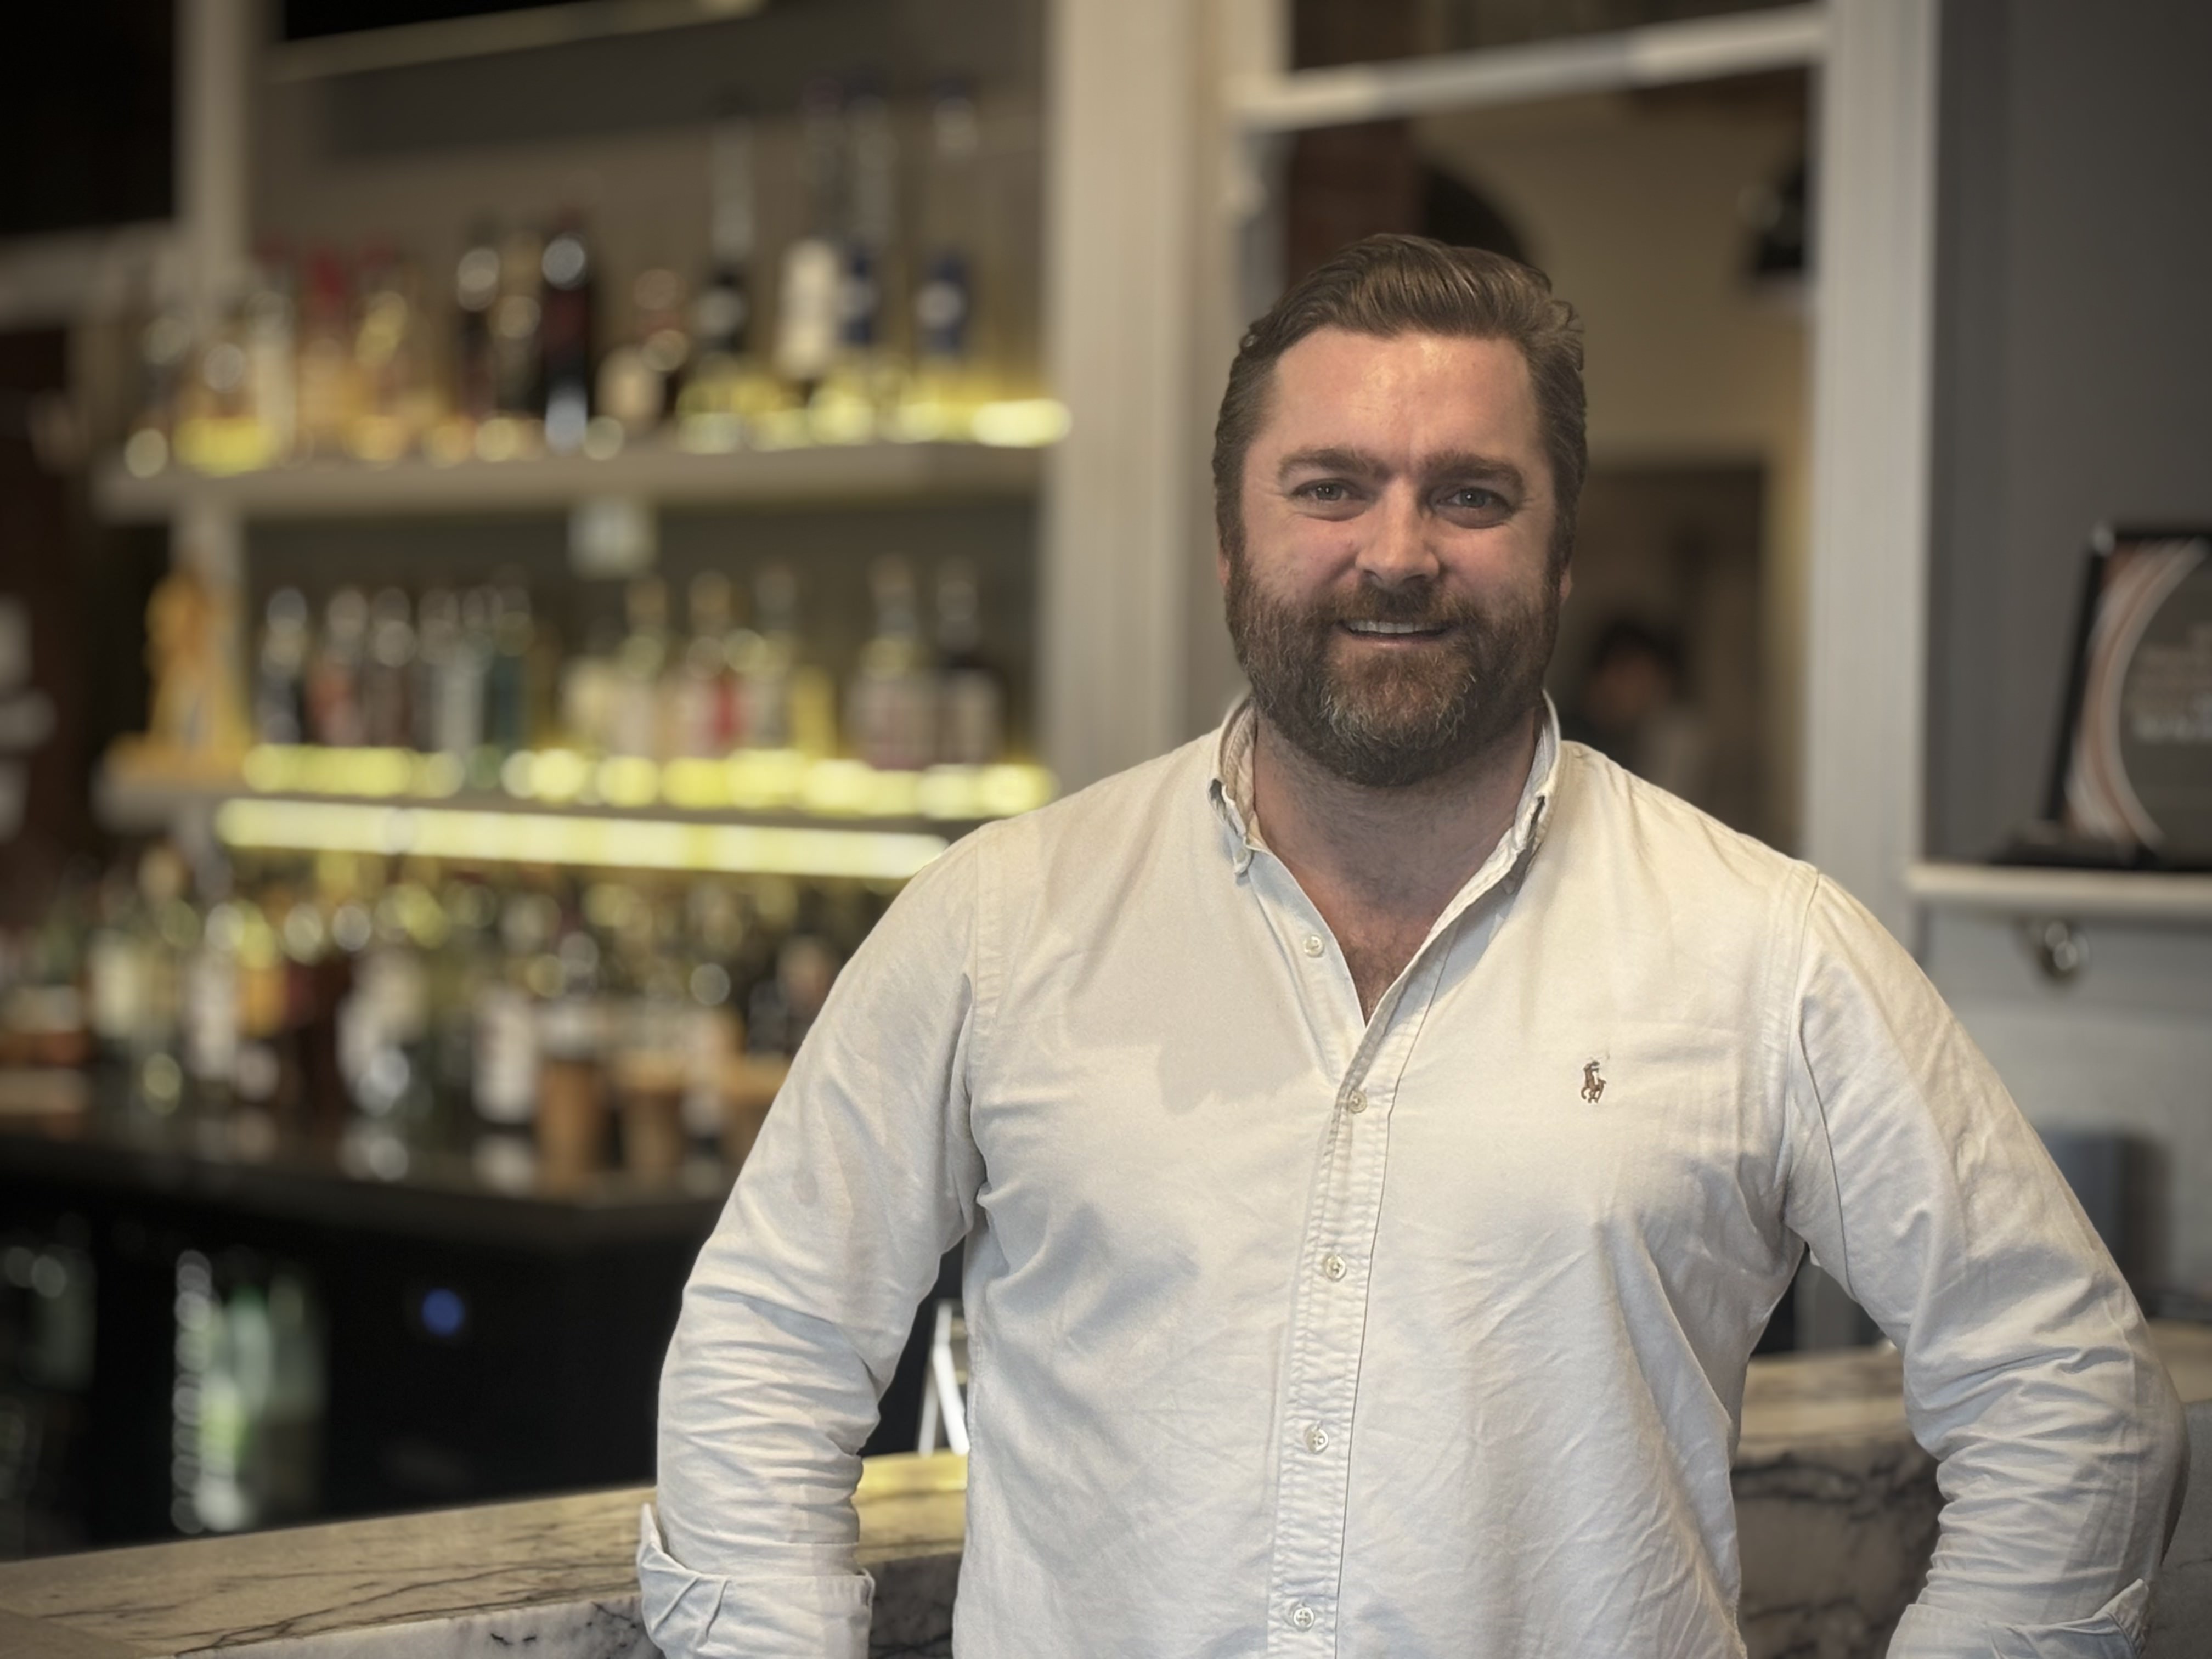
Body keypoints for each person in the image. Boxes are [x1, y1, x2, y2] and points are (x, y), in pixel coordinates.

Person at [639, 234, 2186, 1657]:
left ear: (1562, 553)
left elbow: (2071, 1394)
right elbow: (764, 1353)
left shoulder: (1763, 950)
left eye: (1471, 494)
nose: (1398, 550)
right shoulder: (996, 923)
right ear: (1231, 548)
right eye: (1328, 488)